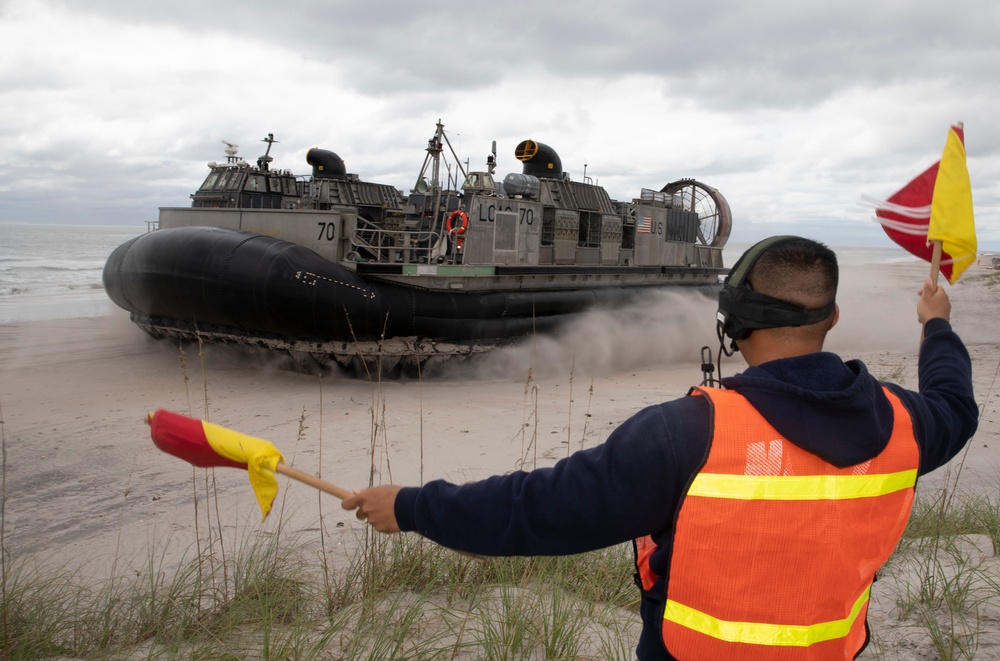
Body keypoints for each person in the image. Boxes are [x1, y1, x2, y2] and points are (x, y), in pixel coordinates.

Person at [342, 236, 979, 660]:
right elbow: (957, 406)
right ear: (833, 318)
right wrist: (937, 324)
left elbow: (540, 509)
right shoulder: (906, 424)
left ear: (729, 322)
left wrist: (413, 506)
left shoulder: (688, 433)